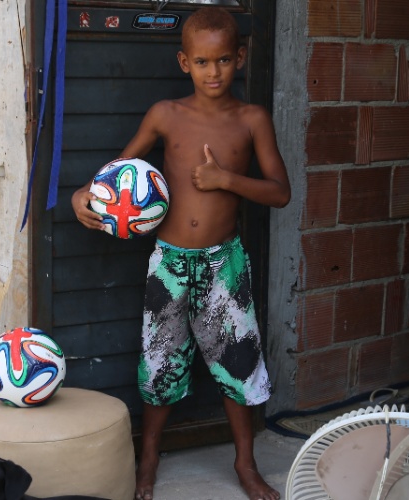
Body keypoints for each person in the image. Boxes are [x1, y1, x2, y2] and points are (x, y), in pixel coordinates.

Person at [71, 7, 290, 500]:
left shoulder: (251, 120)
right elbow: (121, 167)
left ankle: (245, 463)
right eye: (203, 61)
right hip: (168, 263)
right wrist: (82, 194)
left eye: (224, 60)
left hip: (223, 264)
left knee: (238, 364)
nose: (214, 72)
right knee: (160, 364)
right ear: (183, 62)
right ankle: (148, 458)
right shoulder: (166, 115)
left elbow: (280, 192)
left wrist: (225, 180)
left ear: (241, 57)